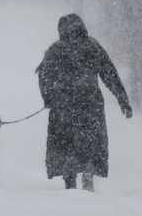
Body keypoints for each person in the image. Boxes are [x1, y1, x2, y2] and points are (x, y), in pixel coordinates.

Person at [37, 13, 132, 192]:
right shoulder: (93, 47)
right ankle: (88, 172)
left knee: (66, 144)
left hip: (63, 107)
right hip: (90, 105)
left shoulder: (55, 50)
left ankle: (70, 181)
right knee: (91, 142)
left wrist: (48, 98)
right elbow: (110, 74)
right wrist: (123, 100)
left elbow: (44, 77)